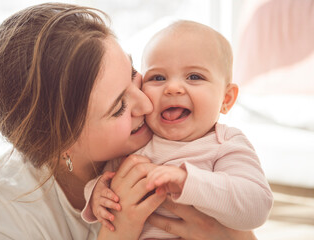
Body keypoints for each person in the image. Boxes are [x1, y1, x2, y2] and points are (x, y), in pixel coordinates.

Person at [0, 3, 259, 240]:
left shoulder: (189, 140)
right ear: (62, 142)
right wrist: (118, 229)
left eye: (133, 74)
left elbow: (246, 204)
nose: (146, 101)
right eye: (119, 107)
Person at [83, 21, 273, 239]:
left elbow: (256, 207)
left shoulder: (225, 143)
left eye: (194, 77)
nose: (172, 88)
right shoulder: (138, 141)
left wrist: (187, 181)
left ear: (226, 99)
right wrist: (97, 192)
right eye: (158, 78)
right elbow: (109, 181)